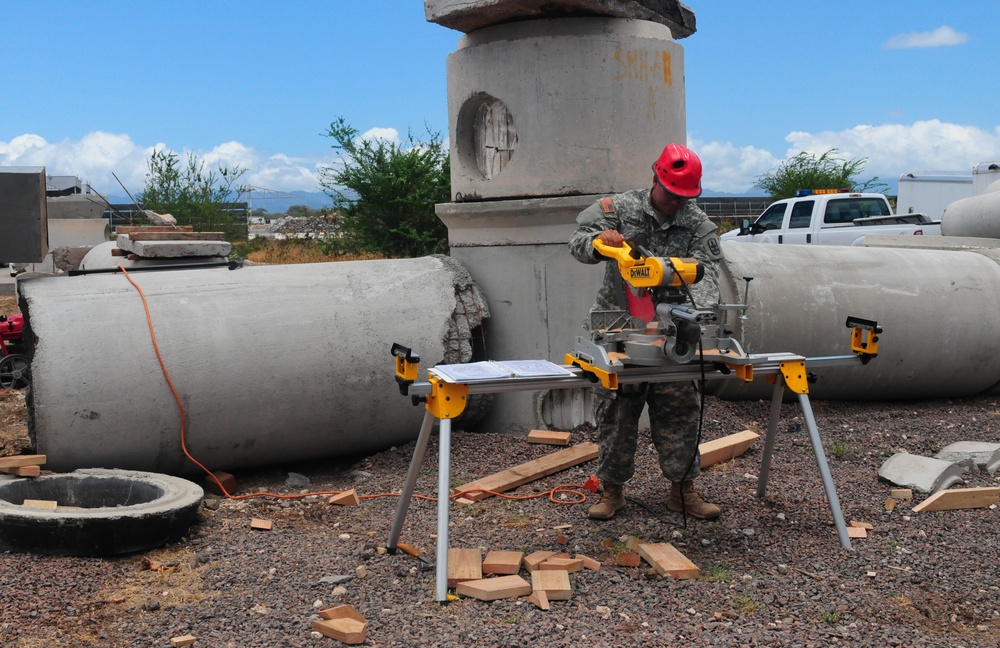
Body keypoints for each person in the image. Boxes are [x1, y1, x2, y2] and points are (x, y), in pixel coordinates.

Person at [568, 143, 724, 520]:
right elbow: (576, 243)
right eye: (671, 194)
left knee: (681, 410)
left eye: (685, 197)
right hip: (618, 326)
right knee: (616, 414)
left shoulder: (697, 224)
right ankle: (612, 492)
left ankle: (683, 490)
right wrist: (598, 243)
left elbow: (708, 273)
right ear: (656, 179)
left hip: (671, 331)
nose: (677, 203)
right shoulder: (616, 210)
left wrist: (692, 316)